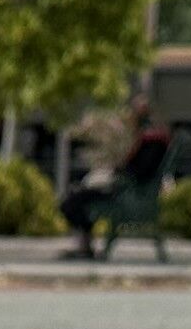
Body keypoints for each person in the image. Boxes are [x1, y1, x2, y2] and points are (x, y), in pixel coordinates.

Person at [65, 102, 172, 259]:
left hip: (126, 195)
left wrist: (117, 172)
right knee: (78, 196)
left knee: (74, 201)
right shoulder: (155, 141)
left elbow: (138, 171)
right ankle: (85, 245)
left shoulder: (152, 142)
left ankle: (85, 246)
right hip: (129, 192)